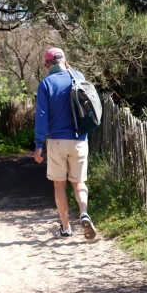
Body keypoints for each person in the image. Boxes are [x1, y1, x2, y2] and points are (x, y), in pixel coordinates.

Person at [33, 47, 96, 239]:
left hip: (57, 141)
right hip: (79, 139)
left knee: (59, 185)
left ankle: (66, 227)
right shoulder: (77, 75)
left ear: (47, 65)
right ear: (65, 61)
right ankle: (84, 212)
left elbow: (42, 115)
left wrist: (38, 144)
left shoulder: (46, 83)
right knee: (79, 183)